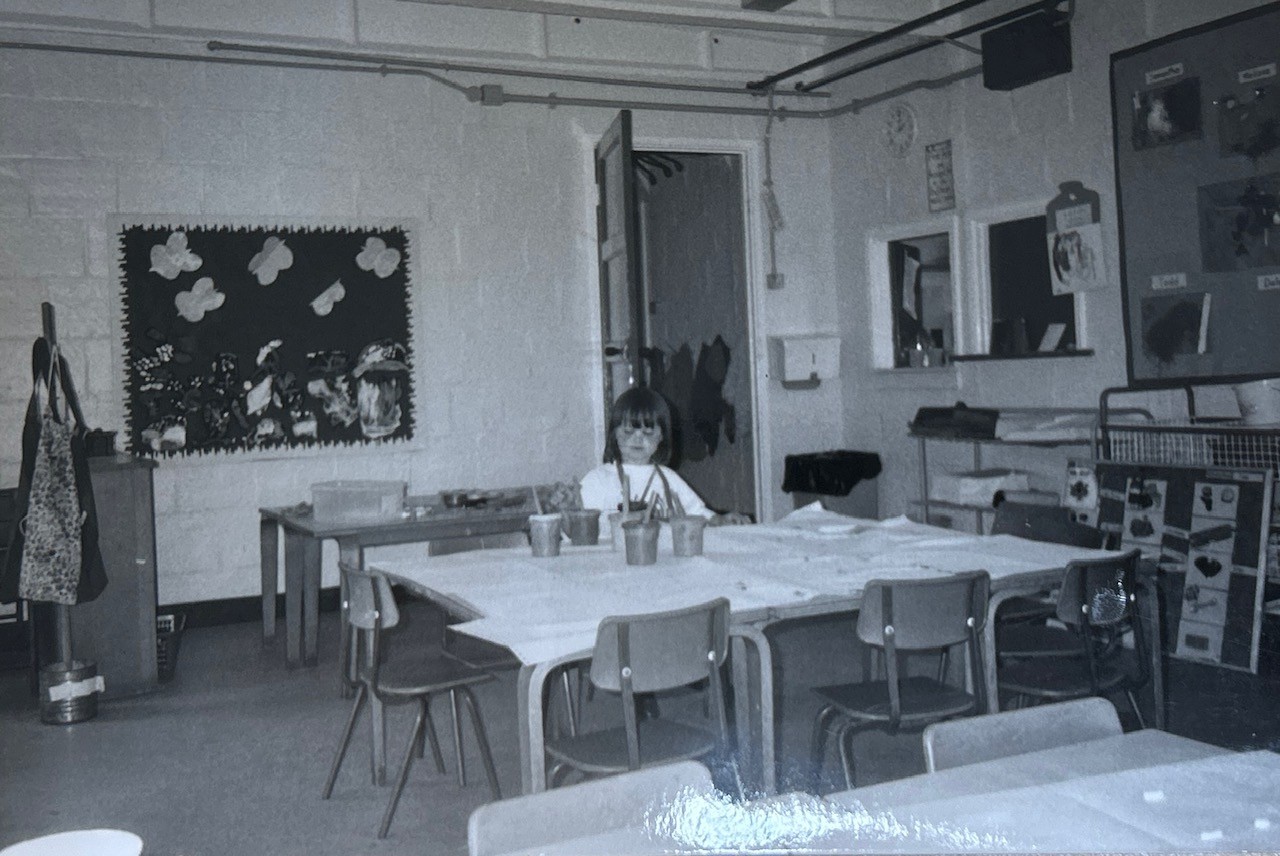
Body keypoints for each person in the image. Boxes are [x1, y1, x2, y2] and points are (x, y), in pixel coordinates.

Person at [578, 387, 751, 526]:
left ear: (661, 437)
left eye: (648, 432)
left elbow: (698, 514)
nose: (638, 439)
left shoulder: (668, 479)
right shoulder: (598, 480)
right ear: (614, 434)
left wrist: (721, 520)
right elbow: (576, 524)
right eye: (628, 431)